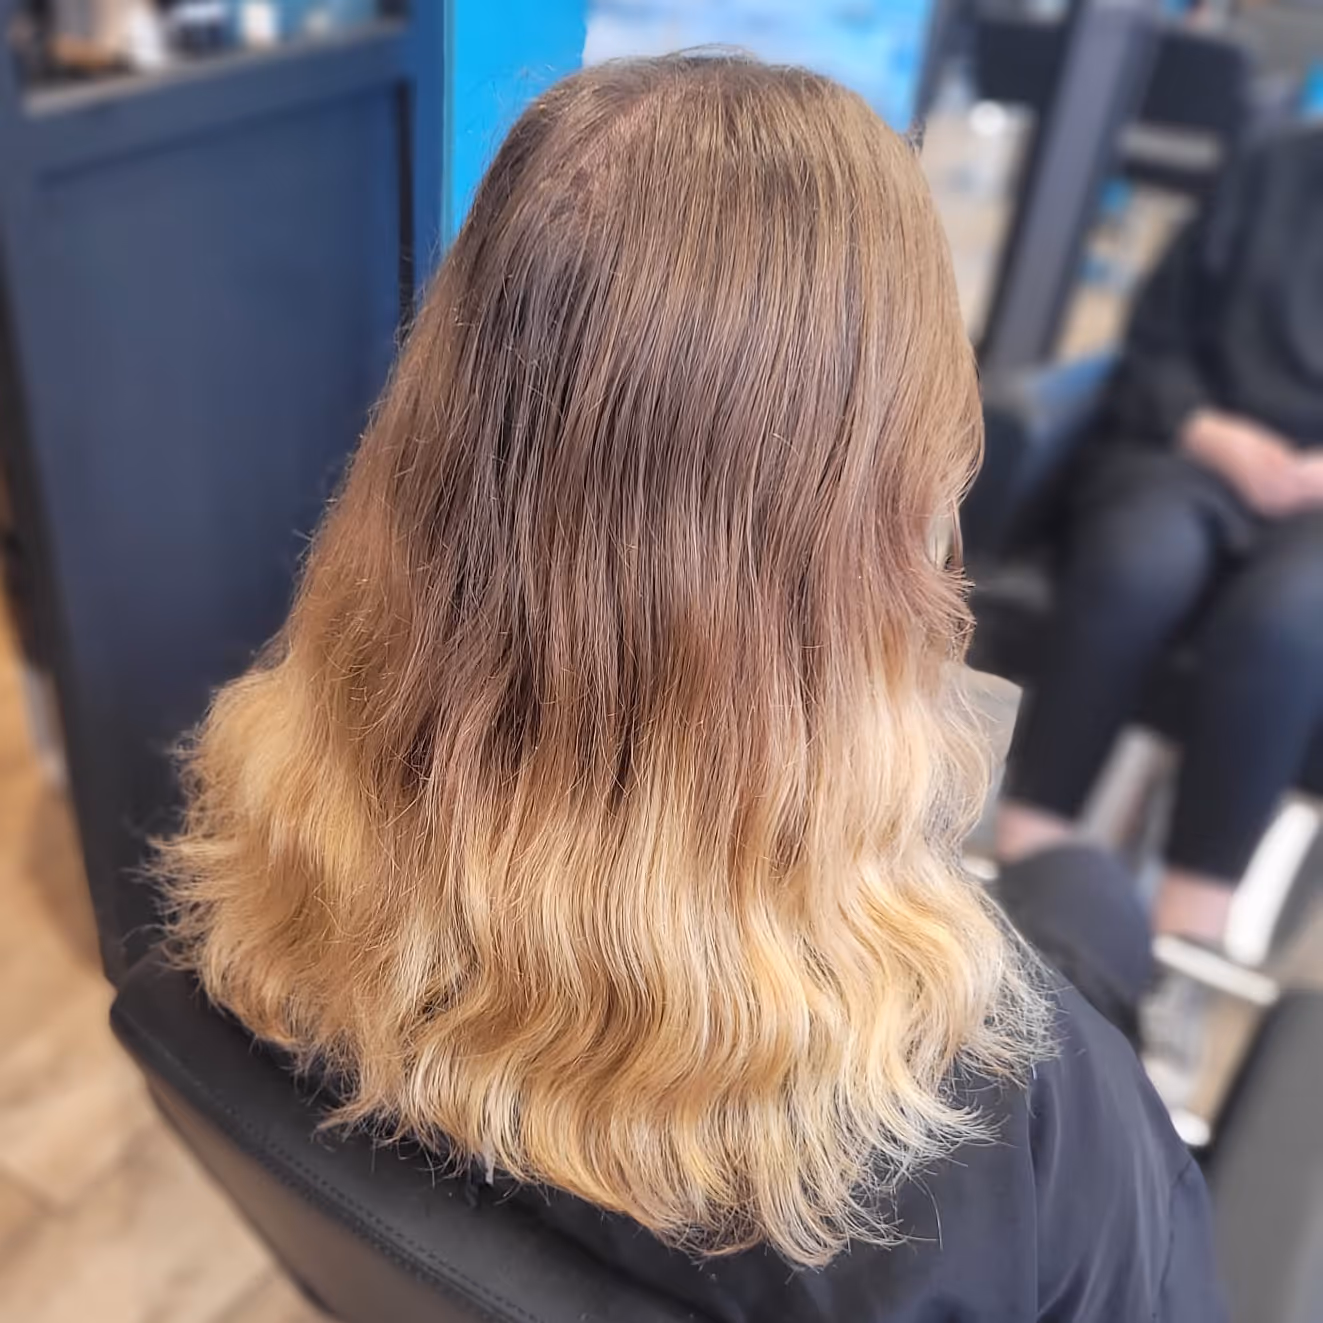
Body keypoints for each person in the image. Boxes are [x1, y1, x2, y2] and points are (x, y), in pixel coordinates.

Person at [157, 55, 1222, 1320]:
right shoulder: (1007, 1124)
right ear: (882, 521)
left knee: (1080, 898)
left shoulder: (254, 847)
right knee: (1092, 901)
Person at [998, 128, 1323, 948]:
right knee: (1138, 564)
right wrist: (1209, 432)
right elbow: (1156, 336)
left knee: (1286, 620)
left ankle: (1190, 923)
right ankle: (1029, 859)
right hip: (1192, 447)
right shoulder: (1270, 166)